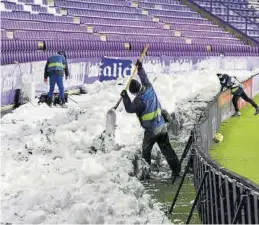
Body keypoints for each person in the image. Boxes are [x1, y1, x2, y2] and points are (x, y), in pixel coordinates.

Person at [120, 60, 181, 176]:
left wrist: (125, 97)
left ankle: (145, 173)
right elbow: (144, 77)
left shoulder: (139, 101)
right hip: (162, 125)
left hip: (151, 130)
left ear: (133, 93)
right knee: (167, 149)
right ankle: (176, 170)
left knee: (146, 151)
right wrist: (140, 68)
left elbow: (129, 109)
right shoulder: (149, 88)